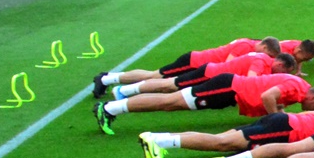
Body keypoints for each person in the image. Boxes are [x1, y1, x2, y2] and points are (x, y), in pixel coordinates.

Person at [139, 106, 314, 158]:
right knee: (221, 143)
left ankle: (160, 140)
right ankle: (158, 140)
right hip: (286, 129)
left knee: (221, 140)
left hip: (283, 120)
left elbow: (312, 113)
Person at [95, 72, 314, 134]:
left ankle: (112, 107)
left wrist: (279, 111)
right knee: (169, 101)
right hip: (227, 88)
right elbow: (268, 96)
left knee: (170, 102)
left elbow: (275, 99)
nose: (311, 111)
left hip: (229, 91)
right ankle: (108, 108)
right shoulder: (298, 87)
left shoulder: (297, 88)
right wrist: (274, 118)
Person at [93, 37, 283, 96]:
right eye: (269, 54)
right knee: (156, 76)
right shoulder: (246, 47)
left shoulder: (250, 44)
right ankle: (107, 79)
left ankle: (114, 82)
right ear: (265, 47)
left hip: (199, 63)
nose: (266, 58)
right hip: (195, 63)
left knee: (161, 79)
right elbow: (227, 64)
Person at [108, 50, 298, 98]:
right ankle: (124, 90)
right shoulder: (262, 61)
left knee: (169, 86)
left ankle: (123, 89)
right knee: (168, 84)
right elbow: (250, 81)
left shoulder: (262, 59)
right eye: (283, 71)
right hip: (208, 74)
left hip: (211, 72)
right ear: (280, 63)